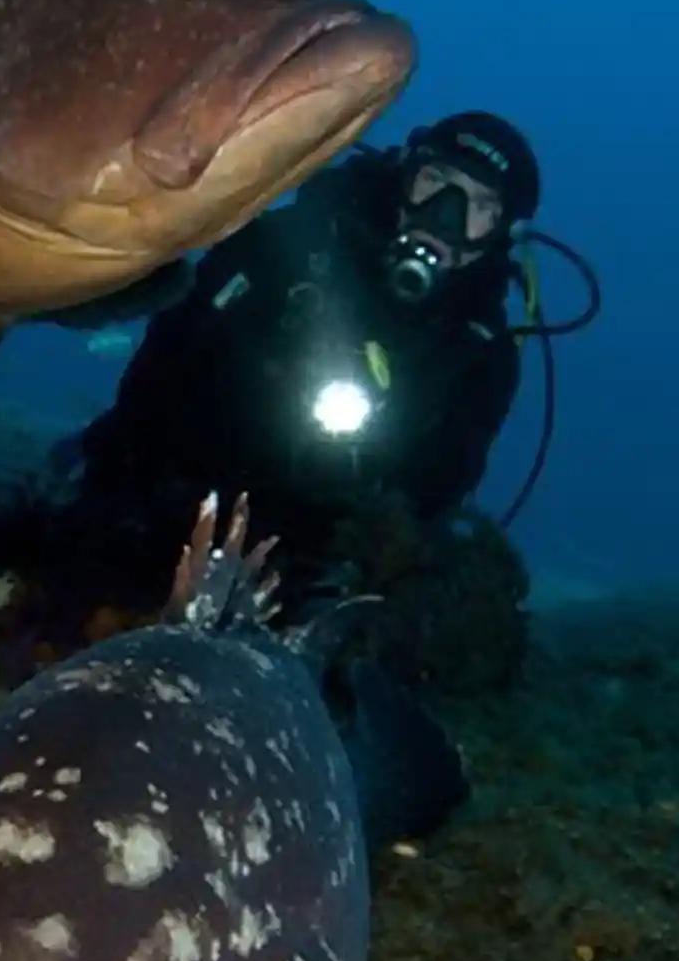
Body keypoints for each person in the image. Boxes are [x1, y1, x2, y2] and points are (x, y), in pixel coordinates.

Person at [67, 110, 543, 605]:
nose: (446, 215)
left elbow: (437, 495)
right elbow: (161, 362)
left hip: (302, 578)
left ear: (503, 232)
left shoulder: (480, 355)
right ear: (404, 175)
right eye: (436, 181)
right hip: (151, 506)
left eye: (480, 205)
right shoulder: (281, 246)